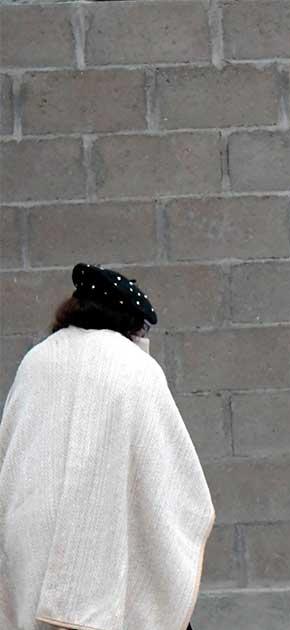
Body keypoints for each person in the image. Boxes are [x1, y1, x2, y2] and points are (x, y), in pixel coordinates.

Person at [0, 264, 214, 630]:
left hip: (31, 546)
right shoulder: (135, 368)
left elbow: (11, 455)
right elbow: (174, 481)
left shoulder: (35, 361)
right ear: (130, 322)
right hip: (102, 555)